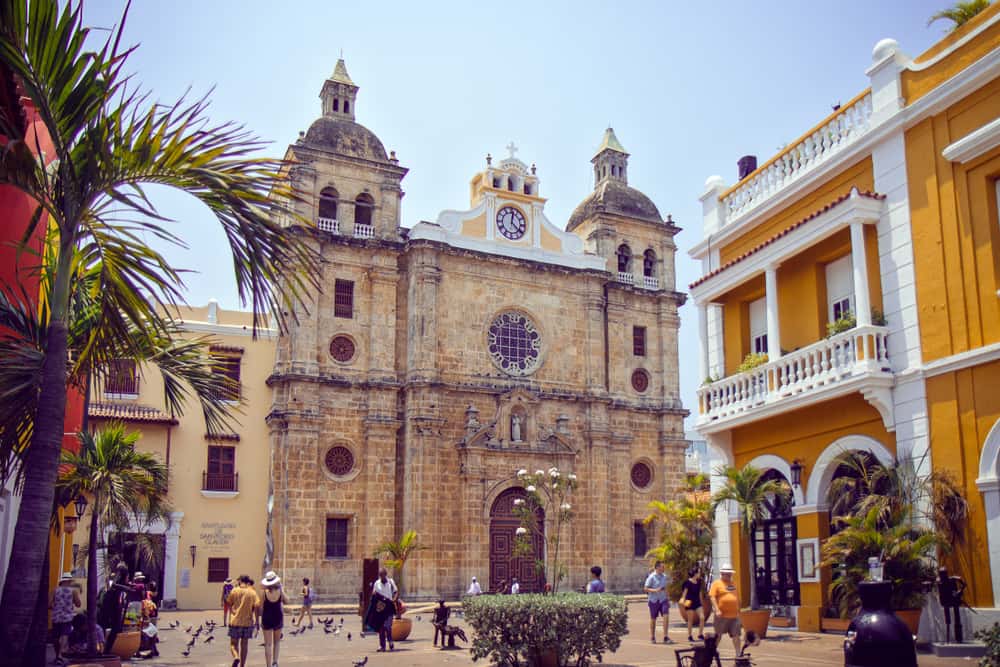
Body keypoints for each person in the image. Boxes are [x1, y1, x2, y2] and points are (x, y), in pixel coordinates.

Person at [227, 574, 261, 667]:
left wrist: (232, 611)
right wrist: (257, 621)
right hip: (247, 622)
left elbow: (228, 602)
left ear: (240, 581)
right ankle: (242, 665)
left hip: (235, 621)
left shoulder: (234, 590)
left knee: (233, 644)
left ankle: (236, 657)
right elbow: (257, 605)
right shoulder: (252, 592)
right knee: (244, 645)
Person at [709, 564, 741, 656]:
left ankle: (738, 654)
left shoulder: (733, 583)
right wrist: (717, 609)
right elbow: (712, 597)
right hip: (721, 616)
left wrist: (738, 610)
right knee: (718, 635)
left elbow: (736, 597)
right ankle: (712, 652)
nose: (729, 576)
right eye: (727, 574)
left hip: (734, 615)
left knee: (736, 635)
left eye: (730, 574)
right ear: (722, 573)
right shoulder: (716, 584)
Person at [50, 573, 81, 665]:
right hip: (67, 617)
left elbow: (49, 604)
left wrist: (56, 607)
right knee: (64, 635)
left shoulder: (55, 590)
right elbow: (78, 604)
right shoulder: (73, 591)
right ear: (69, 581)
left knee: (56, 637)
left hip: (56, 616)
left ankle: (57, 656)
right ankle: (60, 655)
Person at [260, 571, 288, 667]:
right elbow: (287, 601)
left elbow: (261, 605)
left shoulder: (265, 592)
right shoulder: (280, 590)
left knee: (268, 644)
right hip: (278, 616)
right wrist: (281, 588)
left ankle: (268, 665)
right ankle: (275, 662)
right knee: (277, 642)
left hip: (267, 617)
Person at [644, 560, 672, 644]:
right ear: (657, 568)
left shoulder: (664, 576)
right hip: (653, 600)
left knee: (666, 616)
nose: (663, 568)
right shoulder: (651, 577)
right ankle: (652, 636)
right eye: (662, 567)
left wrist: (668, 598)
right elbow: (645, 588)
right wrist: (655, 590)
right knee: (653, 618)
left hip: (663, 599)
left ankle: (665, 636)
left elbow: (665, 588)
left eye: (664, 567)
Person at [371, 568, 398, 652]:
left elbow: (396, 591)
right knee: (381, 627)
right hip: (380, 606)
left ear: (385, 574)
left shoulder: (390, 582)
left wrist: (394, 599)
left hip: (389, 606)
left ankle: (390, 641)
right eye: (380, 575)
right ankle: (382, 645)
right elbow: (374, 593)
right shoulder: (377, 583)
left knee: (387, 626)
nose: (381, 577)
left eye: (383, 575)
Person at [680, 565, 706, 642]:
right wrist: (683, 601)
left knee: (702, 617)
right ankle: (689, 636)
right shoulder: (687, 582)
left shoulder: (699, 582)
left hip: (697, 602)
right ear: (695, 573)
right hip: (689, 602)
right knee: (690, 620)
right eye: (699, 572)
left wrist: (702, 602)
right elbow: (684, 593)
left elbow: (700, 592)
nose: (700, 573)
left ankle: (700, 634)